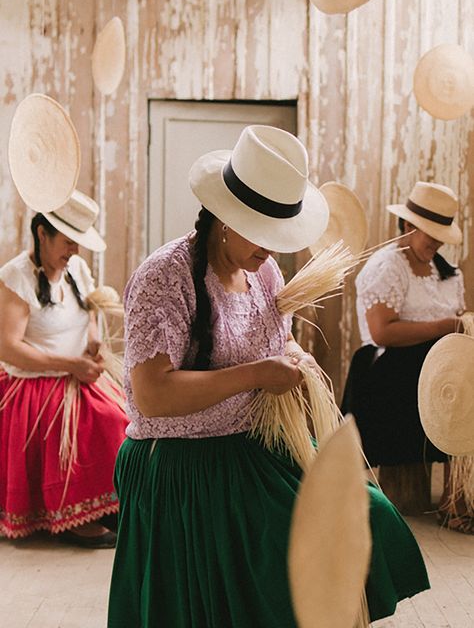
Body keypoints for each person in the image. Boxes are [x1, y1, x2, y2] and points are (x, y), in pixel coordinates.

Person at [108, 125, 430, 627]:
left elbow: (271, 341)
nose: (273, 251)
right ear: (225, 221)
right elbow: (152, 395)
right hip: (179, 467)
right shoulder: (163, 278)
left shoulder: (265, 272)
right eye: (264, 234)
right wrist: (257, 373)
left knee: (366, 518)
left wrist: (294, 358)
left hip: (251, 446)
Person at [0, 190, 129, 548]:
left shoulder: (77, 268)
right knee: (104, 421)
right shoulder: (16, 277)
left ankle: (106, 507)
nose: (74, 251)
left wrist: (93, 346)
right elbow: (9, 348)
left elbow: (86, 316)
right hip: (36, 384)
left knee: (124, 418)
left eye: (78, 244)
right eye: (69, 242)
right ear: (42, 234)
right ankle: (75, 516)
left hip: (77, 372)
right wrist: (69, 364)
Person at [342, 181, 472, 531]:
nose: (435, 242)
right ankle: (444, 500)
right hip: (391, 366)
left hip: (434, 365)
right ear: (408, 226)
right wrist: (444, 326)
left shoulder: (446, 272)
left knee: (462, 380)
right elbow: (383, 332)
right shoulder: (387, 267)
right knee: (439, 376)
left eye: (440, 234)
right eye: (429, 233)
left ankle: (456, 495)